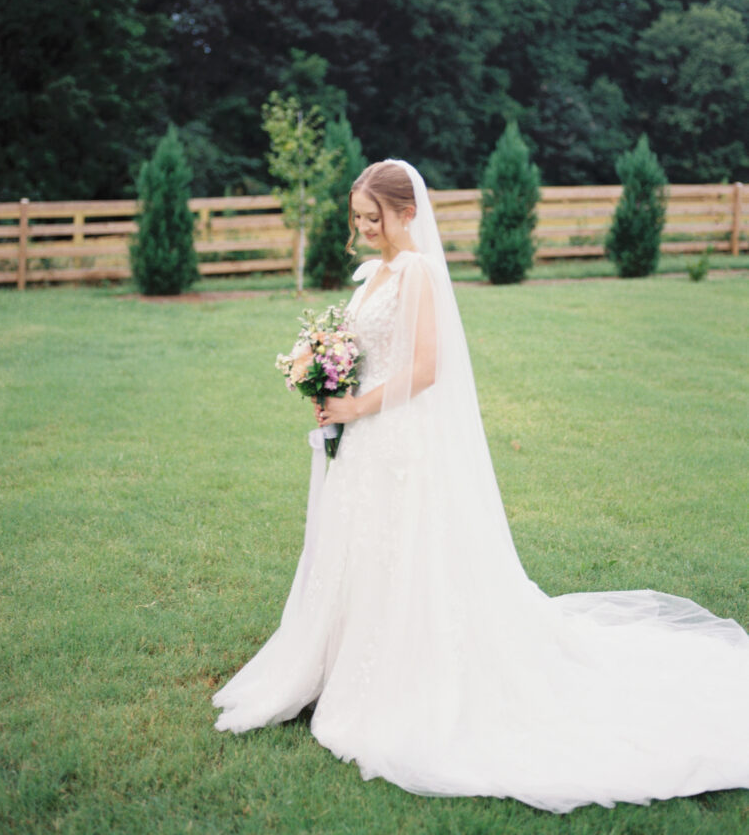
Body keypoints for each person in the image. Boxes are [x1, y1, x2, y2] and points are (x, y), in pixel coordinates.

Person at [213, 160, 749, 813]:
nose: (363, 228)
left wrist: (357, 405)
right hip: (364, 438)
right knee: (358, 548)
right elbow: (366, 350)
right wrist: (323, 372)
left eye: (373, 218)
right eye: (357, 218)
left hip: (397, 435)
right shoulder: (375, 273)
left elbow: (426, 369)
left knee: (404, 549)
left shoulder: (418, 272)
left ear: (407, 213)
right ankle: (339, 660)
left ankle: (402, 674)